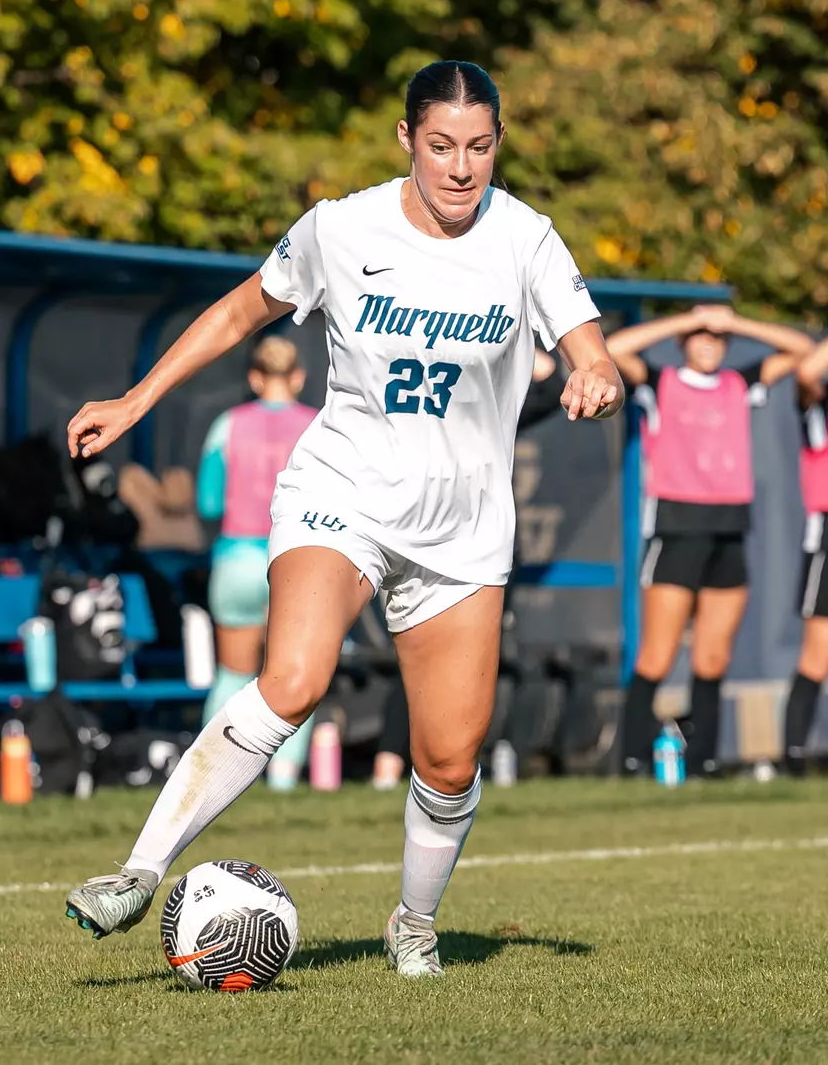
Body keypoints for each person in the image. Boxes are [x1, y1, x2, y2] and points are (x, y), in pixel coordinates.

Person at [63, 60, 623, 978]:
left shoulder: (527, 240)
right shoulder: (340, 228)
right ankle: (138, 870)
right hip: (342, 492)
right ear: (406, 140)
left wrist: (593, 373)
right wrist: (134, 400)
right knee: (293, 678)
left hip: (462, 525)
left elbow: (586, 346)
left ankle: (413, 922)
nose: (459, 168)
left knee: (448, 756)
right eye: (440, 146)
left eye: (479, 147)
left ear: (499, 146)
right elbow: (242, 310)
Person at [609, 306, 812, 777]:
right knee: (657, 654)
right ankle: (633, 759)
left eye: (715, 338)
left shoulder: (740, 383)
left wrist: (734, 322)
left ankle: (703, 760)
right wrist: (685, 321)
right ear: (683, 342)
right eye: (698, 336)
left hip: (730, 527)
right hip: (677, 528)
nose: (708, 343)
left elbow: (802, 350)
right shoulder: (661, 383)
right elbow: (615, 350)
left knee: (713, 654)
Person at [369, 347, 565, 791]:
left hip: (477, 547)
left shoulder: (489, 411)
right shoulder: (405, 406)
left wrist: (514, 340)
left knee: (463, 665)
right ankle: (390, 765)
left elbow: (553, 388)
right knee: (418, 655)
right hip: (416, 540)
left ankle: (444, 771)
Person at [197, 335, 318, 789]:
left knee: (232, 673)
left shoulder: (226, 426)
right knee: (295, 675)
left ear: (253, 378)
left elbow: (208, 503)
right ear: (299, 377)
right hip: (298, 561)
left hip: (237, 559)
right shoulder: (319, 425)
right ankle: (283, 781)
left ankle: (208, 777)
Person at [783, 336, 828, 775]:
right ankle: (793, 757)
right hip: (826, 538)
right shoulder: (818, 407)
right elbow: (806, 371)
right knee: (818, 655)